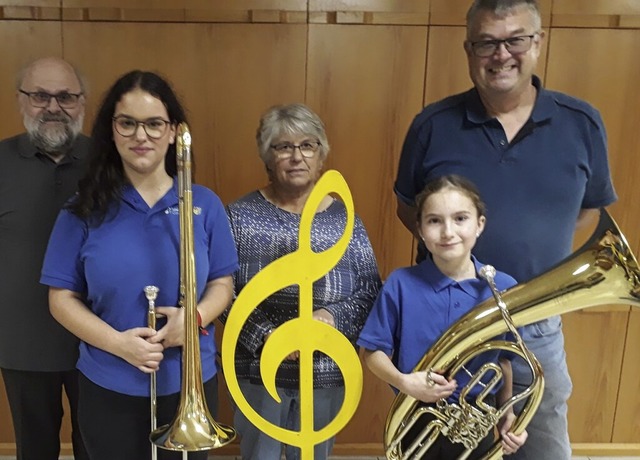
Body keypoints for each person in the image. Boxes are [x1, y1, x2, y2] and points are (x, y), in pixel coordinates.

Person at [394, 1, 617, 458]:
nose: (501, 55)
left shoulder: (582, 123)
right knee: (437, 439)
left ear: (537, 43)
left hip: (534, 321)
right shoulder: (432, 125)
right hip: (445, 323)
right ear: (468, 49)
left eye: (515, 39)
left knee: (543, 440)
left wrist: (534, 251)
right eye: (487, 43)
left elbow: (587, 211)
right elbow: (409, 210)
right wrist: (456, 254)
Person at [39, 70, 238, 460]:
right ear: (112, 131)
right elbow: (60, 297)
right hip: (109, 381)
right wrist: (118, 344)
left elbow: (222, 283)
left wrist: (194, 319)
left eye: (153, 124)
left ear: (173, 131)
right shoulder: (83, 209)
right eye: (127, 123)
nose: (140, 136)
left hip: (189, 379)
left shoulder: (205, 204)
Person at [224, 103, 381, 460]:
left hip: (325, 366)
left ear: (321, 155)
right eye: (284, 147)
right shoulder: (238, 216)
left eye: (307, 145)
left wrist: (327, 320)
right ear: (267, 155)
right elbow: (223, 292)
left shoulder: (346, 219)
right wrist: (271, 337)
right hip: (258, 366)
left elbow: (370, 290)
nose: (297, 156)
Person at [358, 175, 527, 459]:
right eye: (434, 221)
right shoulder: (401, 284)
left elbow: (503, 360)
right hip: (415, 416)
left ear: (479, 224)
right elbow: (372, 351)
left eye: (460, 218)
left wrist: (507, 413)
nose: (448, 231)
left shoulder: (502, 287)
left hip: (477, 420)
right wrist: (403, 382)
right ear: (421, 230)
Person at [0, 57, 89, 460]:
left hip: (100, 341)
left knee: (100, 447)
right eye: (40, 96)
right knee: (34, 450)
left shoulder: (111, 162)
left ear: (82, 102)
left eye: (66, 96)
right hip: (21, 343)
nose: (53, 107)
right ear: (21, 101)